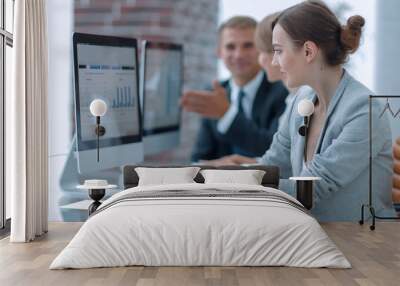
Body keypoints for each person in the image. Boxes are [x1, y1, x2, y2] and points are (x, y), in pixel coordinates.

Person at [210, 1, 395, 221]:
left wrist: (232, 184)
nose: (274, 60)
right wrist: (220, 178)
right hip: (313, 233)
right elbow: (274, 163)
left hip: (361, 242)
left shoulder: (365, 110)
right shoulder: (302, 99)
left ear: (308, 51)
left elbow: (312, 189)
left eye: (278, 51)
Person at [180, 16, 288, 162]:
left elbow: (275, 151)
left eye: (248, 46)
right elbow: (199, 159)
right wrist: (219, 165)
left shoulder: (282, 90)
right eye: (230, 47)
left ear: (261, 49)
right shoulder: (215, 94)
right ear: (219, 52)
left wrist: (226, 115)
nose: (239, 55)